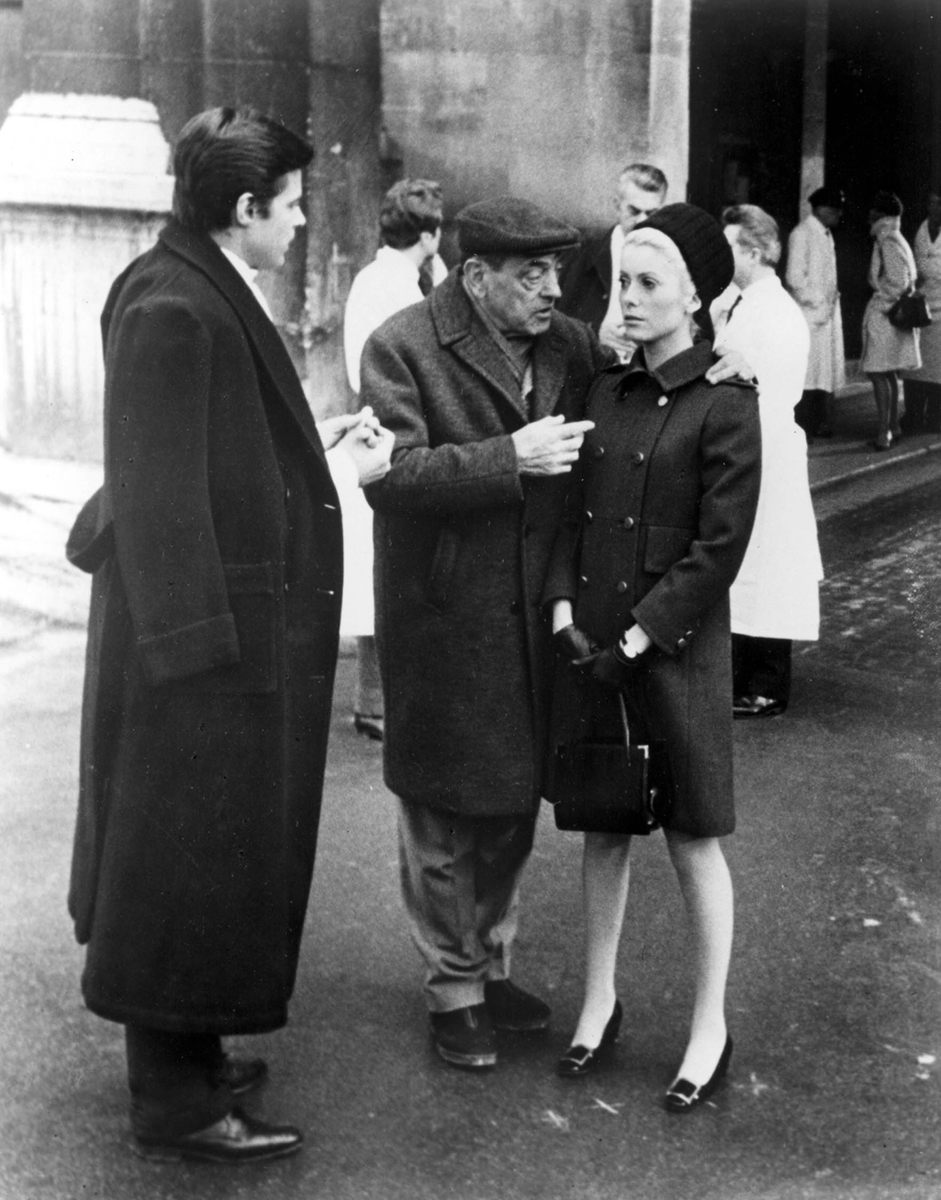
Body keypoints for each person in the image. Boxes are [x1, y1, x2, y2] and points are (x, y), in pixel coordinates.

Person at [64, 107, 392, 1164]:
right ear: (243, 207)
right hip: (197, 652)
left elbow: (207, 449)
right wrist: (198, 662)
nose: (299, 222)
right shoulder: (176, 305)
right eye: (290, 205)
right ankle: (177, 1101)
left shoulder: (189, 284)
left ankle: (193, 1058)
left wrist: (307, 443)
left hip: (204, 637)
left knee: (198, 864)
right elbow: (159, 501)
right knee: (181, 864)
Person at [359, 197, 606, 1071]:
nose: (552, 289)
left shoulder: (571, 345)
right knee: (438, 812)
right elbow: (387, 475)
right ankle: (452, 986)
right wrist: (511, 458)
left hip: (533, 610)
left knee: (506, 805)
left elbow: (641, 391)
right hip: (444, 615)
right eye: (529, 274)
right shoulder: (402, 343)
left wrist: (714, 359)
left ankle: (490, 962)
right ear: (475, 276)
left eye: (557, 271)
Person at [545, 204, 761, 1112]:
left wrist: (637, 636)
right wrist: (564, 611)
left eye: (646, 284)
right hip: (594, 645)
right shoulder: (602, 390)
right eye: (621, 282)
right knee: (602, 825)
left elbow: (717, 549)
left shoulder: (725, 402)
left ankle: (707, 1022)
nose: (625, 300)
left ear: (695, 295)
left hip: (668, 652)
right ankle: (599, 1000)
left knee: (691, 837)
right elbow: (564, 509)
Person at [340, 178, 448, 741]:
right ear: (428, 235)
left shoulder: (392, 277)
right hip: (389, 431)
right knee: (389, 572)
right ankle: (377, 703)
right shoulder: (393, 287)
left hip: (382, 425)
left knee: (380, 575)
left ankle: (376, 701)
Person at [714, 205, 822, 718]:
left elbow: (767, 391)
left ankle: (768, 685)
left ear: (752, 252)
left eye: (729, 245)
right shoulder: (746, 303)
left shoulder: (775, 312)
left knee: (770, 568)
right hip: (750, 450)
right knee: (747, 567)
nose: (722, 253)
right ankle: (746, 675)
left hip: (767, 450)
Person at [558, 163, 668, 360]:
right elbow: (554, 318)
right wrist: (594, 332)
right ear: (617, 205)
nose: (642, 221)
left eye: (651, 213)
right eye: (634, 211)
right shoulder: (581, 254)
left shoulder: (672, 259)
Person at [860, 190, 921, 451]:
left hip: (885, 318)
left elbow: (899, 282)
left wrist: (881, 306)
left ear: (880, 214)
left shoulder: (887, 240)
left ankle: (883, 432)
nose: (868, 214)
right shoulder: (894, 236)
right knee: (888, 373)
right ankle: (892, 427)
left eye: (872, 210)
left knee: (877, 373)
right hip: (892, 318)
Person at [785, 185, 846, 440]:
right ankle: (803, 426)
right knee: (806, 373)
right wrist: (818, 301)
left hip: (825, 316)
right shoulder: (802, 234)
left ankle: (817, 422)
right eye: (835, 210)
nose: (839, 215)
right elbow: (794, 277)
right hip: (808, 315)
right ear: (822, 209)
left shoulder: (824, 233)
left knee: (821, 373)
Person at [901, 190, 941, 435]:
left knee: (939, 370)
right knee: (915, 366)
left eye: (939, 204)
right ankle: (913, 414)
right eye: (932, 203)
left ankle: (936, 418)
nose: (935, 208)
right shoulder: (921, 230)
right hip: (922, 307)